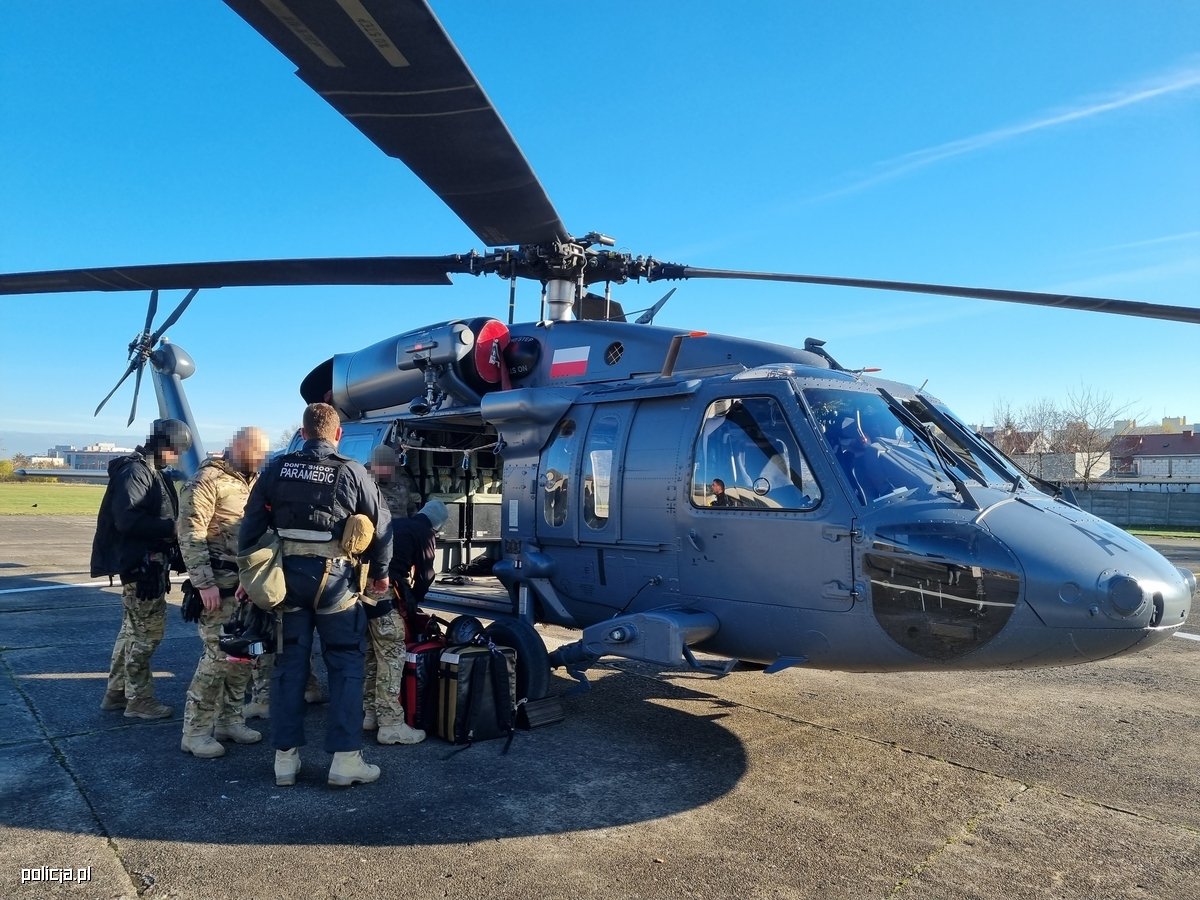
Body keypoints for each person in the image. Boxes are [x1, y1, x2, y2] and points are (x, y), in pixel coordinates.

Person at [239, 403, 392, 788]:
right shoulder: (353, 471)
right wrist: (381, 576)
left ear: (303, 433)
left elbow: (251, 526)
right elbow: (382, 528)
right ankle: (345, 760)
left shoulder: (275, 469)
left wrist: (248, 576)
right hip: (336, 583)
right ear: (337, 435)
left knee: (288, 666)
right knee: (345, 665)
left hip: (285, 583)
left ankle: (284, 761)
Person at [177, 427, 270, 759]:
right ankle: (196, 731)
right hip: (217, 585)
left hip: (247, 586)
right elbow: (190, 533)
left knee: (243, 657)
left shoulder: (252, 480)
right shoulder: (206, 480)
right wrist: (204, 583)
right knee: (217, 658)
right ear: (239, 447)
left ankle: (229, 720)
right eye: (257, 452)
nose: (260, 459)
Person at [92, 418, 191, 720]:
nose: (176, 457)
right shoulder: (137, 472)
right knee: (146, 637)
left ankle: (117, 692)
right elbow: (128, 521)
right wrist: (173, 528)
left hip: (147, 565)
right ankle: (139, 700)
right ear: (166, 446)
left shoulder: (150, 471)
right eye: (176, 451)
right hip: (141, 567)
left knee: (130, 632)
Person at [362, 445, 427, 746]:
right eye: (382, 468)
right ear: (374, 466)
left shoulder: (402, 482)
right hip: (375, 577)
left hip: (389, 572)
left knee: (374, 650)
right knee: (389, 649)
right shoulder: (360, 480)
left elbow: (412, 517)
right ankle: (389, 722)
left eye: (391, 468)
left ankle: (371, 713)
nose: (387, 473)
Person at [391, 499, 450, 608]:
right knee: (408, 616)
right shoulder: (425, 533)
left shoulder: (398, 522)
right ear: (438, 524)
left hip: (369, 573)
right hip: (392, 578)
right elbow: (426, 574)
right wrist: (416, 597)